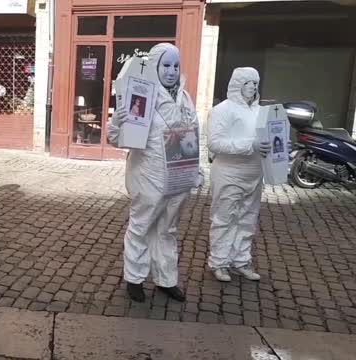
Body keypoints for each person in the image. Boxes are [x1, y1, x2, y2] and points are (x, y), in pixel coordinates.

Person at [107, 43, 200, 303]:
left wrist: (196, 168)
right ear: (156, 66)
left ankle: (166, 279)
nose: (171, 71)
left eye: (175, 65)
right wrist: (118, 120)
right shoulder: (141, 95)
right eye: (166, 65)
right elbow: (116, 138)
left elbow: (193, 133)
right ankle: (134, 278)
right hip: (148, 176)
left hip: (178, 177)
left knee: (168, 230)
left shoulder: (185, 97)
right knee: (141, 228)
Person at [207, 67, 270, 282]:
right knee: (224, 218)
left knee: (247, 219)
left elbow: (267, 140)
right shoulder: (222, 110)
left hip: (253, 174)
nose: (252, 86)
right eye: (247, 82)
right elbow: (215, 143)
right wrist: (248, 145)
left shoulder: (261, 112)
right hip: (228, 173)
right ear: (237, 84)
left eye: (255, 82)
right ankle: (219, 262)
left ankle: (241, 260)